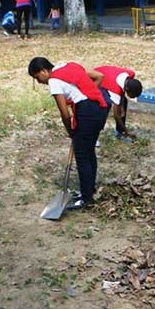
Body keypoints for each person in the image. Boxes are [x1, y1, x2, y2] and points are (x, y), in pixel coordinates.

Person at [28, 57, 111, 210]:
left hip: (86, 112)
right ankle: (89, 190)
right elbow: (97, 77)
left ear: (43, 71)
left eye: (37, 78)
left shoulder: (53, 81)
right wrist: (86, 97)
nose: (39, 82)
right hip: (100, 108)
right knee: (89, 151)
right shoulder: (67, 65)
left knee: (81, 155)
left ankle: (86, 199)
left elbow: (65, 114)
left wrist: (71, 132)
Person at [94, 65, 143, 142]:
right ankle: (94, 135)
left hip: (105, 72)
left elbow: (122, 91)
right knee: (105, 104)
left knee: (124, 102)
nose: (133, 98)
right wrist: (127, 131)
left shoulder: (130, 74)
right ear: (128, 89)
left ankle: (120, 131)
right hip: (95, 79)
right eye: (133, 95)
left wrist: (122, 107)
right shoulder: (115, 89)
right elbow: (116, 116)